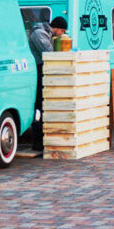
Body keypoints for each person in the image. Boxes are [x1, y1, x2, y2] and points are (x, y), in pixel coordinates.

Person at [28, 16, 68, 151]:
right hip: (38, 70)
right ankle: (37, 142)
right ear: (57, 28)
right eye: (62, 31)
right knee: (39, 104)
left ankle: (43, 139)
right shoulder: (40, 34)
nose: (62, 34)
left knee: (43, 103)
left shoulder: (47, 34)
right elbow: (49, 52)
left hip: (42, 69)